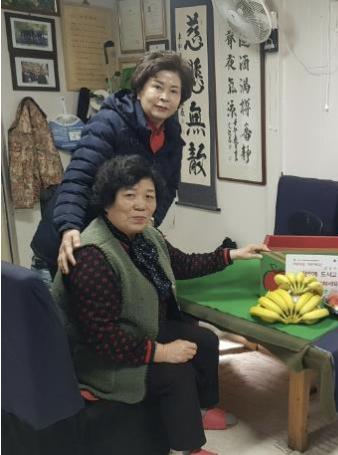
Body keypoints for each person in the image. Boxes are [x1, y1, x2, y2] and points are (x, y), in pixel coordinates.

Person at [52, 155, 268, 455]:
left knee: (205, 341)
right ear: (107, 201)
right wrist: (162, 352)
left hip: (139, 330)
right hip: (100, 359)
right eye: (130, 196)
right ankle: (189, 448)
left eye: (149, 197)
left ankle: (201, 410)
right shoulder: (91, 256)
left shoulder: (147, 236)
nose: (141, 206)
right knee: (176, 372)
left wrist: (232, 254)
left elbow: (183, 264)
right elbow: (102, 338)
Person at [31, 50, 193, 279]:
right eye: (157, 87)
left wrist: (150, 221)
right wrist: (69, 227)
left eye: (174, 91)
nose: (164, 97)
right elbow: (79, 177)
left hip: (109, 248)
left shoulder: (172, 135)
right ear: (140, 89)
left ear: (181, 99)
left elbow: (167, 188)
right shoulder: (110, 121)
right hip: (66, 241)